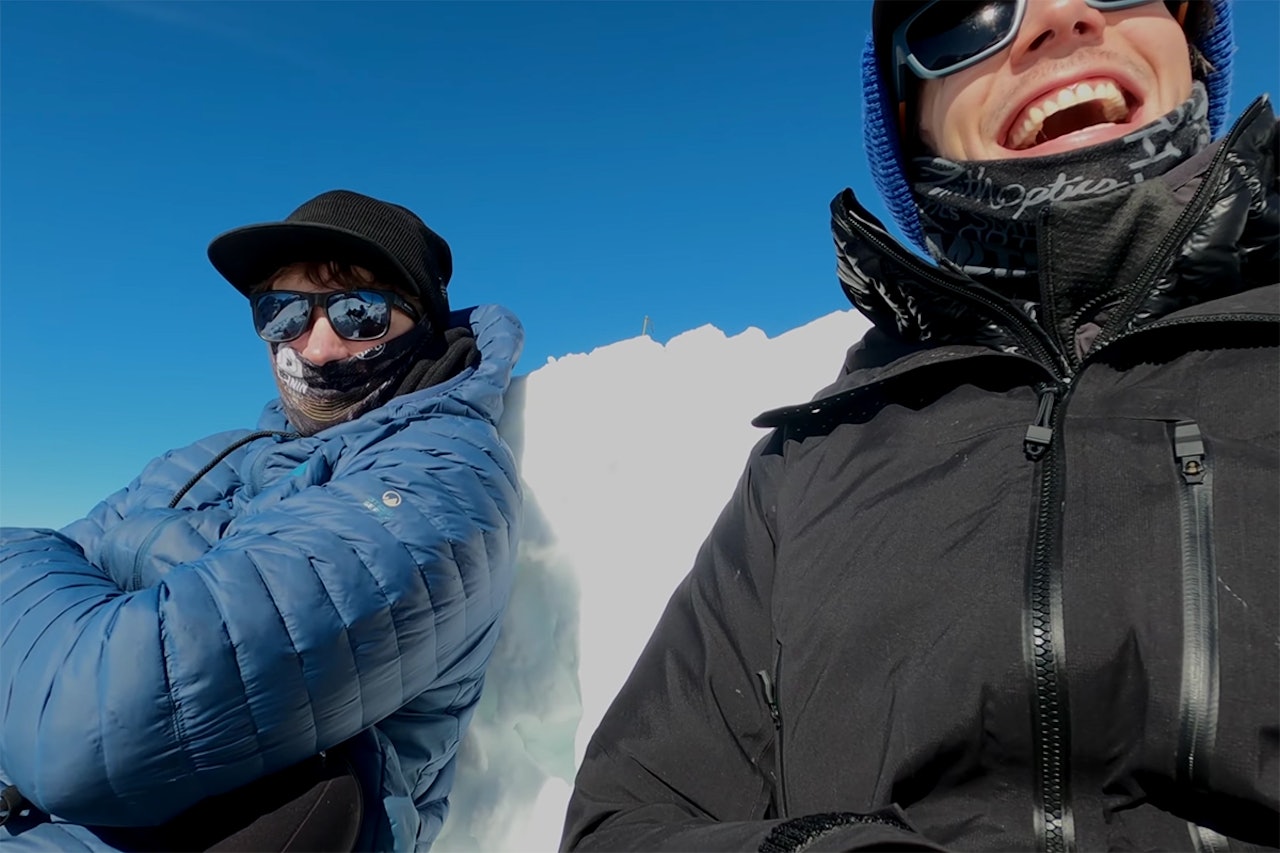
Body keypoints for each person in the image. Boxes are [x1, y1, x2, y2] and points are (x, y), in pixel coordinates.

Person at [562, 0, 1277, 850]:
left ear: (1191, 44)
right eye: (969, 12)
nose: (1063, 17)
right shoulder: (809, 463)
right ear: (911, 121)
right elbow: (628, 820)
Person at [0, 190, 525, 851]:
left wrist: (54, 566)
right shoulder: (223, 452)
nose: (318, 345)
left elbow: (87, 723)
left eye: (357, 311)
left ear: (418, 319)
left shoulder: (445, 473)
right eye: (283, 312)